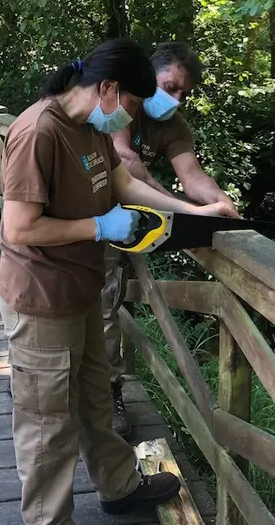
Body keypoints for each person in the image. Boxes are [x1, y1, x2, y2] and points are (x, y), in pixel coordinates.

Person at [0, 37, 237, 525]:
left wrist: (196, 213)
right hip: (42, 298)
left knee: (94, 398)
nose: (131, 116)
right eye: (129, 103)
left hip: (82, 287)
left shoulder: (92, 127)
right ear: (106, 87)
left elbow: (125, 184)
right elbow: (18, 228)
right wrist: (99, 228)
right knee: (48, 424)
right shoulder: (39, 131)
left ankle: (119, 484)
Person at [103, 42, 242, 438]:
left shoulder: (175, 126)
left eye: (184, 93)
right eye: (170, 86)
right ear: (150, 76)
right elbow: (125, 161)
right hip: (89, 207)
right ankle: (37, 373)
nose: (175, 98)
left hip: (128, 222)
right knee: (74, 298)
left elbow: (193, 175)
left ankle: (108, 390)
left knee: (107, 304)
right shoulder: (123, 99)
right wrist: (186, 212)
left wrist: (219, 202)